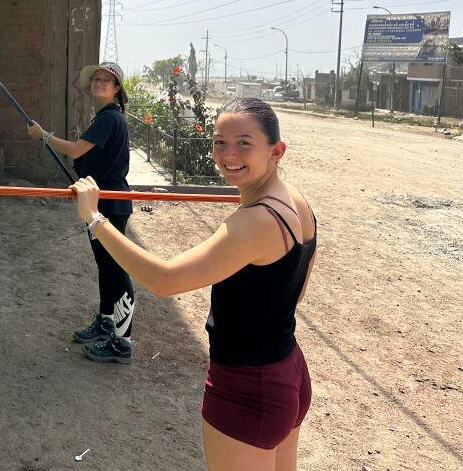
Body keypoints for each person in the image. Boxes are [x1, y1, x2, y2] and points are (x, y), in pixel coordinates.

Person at [70, 98, 318, 471]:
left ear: (276, 151)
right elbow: (296, 287)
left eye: (244, 143)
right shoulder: (296, 202)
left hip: (248, 386)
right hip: (286, 368)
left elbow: (165, 279)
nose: (228, 154)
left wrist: (94, 218)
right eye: (219, 142)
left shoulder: (256, 221)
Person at [26, 61, 136, 363]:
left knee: (116, 269)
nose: (100, 83)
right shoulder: (105, 117)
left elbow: (75, 150)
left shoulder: (109, 118)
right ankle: (105, 321)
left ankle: (123, 342)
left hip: (111, 204)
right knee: (105, 265)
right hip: (99, 201)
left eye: (107, 80)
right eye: (97, 79)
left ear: (116, 90)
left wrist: (43, 136)